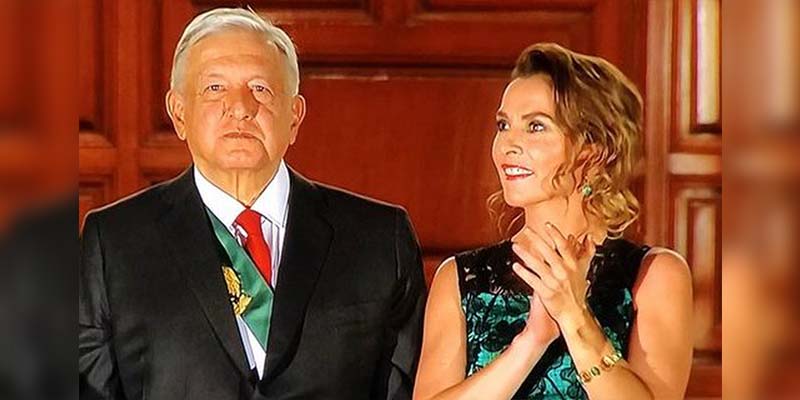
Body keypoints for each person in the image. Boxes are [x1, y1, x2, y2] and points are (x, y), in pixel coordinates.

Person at [79, 8, 426, 400]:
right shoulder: (115, 242)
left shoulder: (379, 240)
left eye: (260, 89)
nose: (241, 108)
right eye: (215, 88)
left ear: (294, 117)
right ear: (179, 113)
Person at [413, 43, 693, 399]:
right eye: (503, 125)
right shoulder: (460, 277)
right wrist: (531, 342)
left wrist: (574, 317)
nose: (507, 145)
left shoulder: (653, 275)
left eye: (535, 126)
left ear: (595, 149)